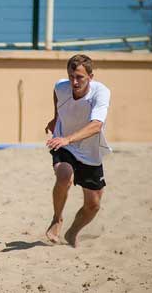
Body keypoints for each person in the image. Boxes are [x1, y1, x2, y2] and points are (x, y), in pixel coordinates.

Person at [44, 54, 111, 248]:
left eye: (80, 77)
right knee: (64, 175)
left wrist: (68, 138)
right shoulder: (61, 86)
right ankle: (57, 219)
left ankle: (72, 232)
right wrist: (56, 118)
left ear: (90, 76)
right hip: (64, 144)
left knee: (94, 204)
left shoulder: (101, 93)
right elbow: (57, 94)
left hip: (90, 150)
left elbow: (96, 125)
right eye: (71, 76)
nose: (74, 81)